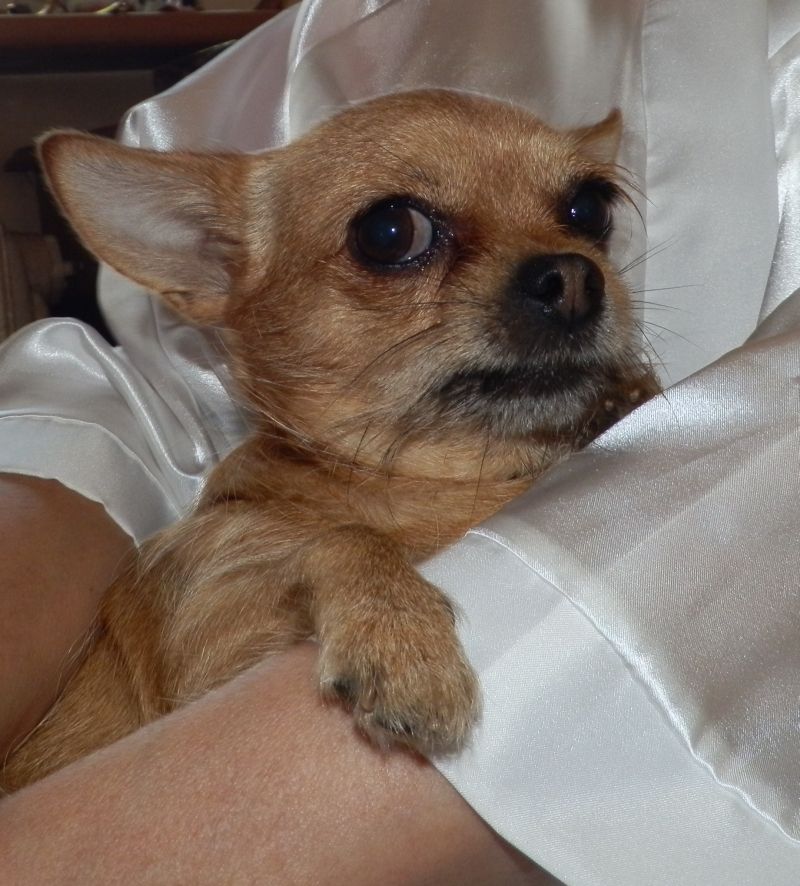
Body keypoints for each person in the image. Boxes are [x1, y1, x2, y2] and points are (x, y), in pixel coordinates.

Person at [2, 1, 800, 882]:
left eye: (580, 213)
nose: (561, 272)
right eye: (396, 238)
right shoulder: (243, 555)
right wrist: (348, 568)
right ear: (214, 260)